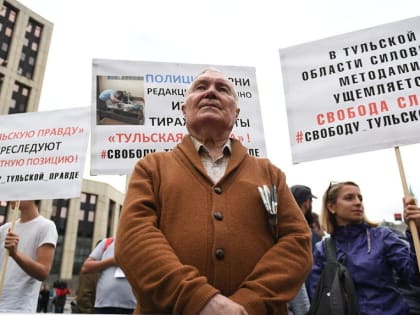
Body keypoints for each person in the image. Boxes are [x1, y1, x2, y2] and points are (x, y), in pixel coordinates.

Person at [115, 68, 312, 315]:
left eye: (222, 89)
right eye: (201, 87)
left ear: (236, 113)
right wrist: (198, 300)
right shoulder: (151, 167)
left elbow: (297, 243)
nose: (210, 92)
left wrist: (248, 303)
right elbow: (134, 238)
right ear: (185, 110)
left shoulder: (270, 173)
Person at [309, 181, 420, 315]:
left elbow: (414, 276)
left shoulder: (382, 236)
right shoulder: (323, 250)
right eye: (349, 198)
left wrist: (417, 233)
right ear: (331, 207)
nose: (358, 202)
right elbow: (318, 297)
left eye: (360, 198)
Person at [0, 200, 58, 313]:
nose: (11, 197)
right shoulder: (4, 229)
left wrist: (15, 254)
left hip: (18, 309)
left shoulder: (46, 226)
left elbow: (43, 272)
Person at [80, 237, 136, 314]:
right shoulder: (107, 243)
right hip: (104, 306)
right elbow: (86, 267)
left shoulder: (144, 245)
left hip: (133, 307)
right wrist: (112, 261)